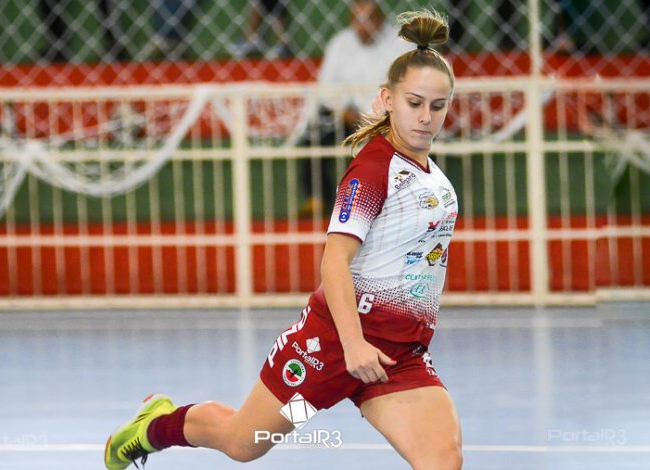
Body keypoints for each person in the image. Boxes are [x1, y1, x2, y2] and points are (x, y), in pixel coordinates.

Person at [104, 7, 462, 470]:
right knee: (245, 442)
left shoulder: (436, 181)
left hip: (393, 362)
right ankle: (154, 425)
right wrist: (353, 345)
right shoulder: (374, 170)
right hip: (329, 353)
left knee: (442, 460)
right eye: (414, 103)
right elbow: (334, 261)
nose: (426, 117)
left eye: (438, 106)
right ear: (387, 99)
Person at [299, 0, 410, 216]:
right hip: (348, 117)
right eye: (358, 21)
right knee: (315, 135)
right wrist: (344, 111)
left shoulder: (401, 43)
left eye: (369, 20)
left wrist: (383, 113)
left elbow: (409, 85)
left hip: (390, 117)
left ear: (380, 18)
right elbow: (325, 88)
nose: (363, 27)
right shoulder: (340, 43)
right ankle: (318, 200)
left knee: (418, 132)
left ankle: (411, 200)